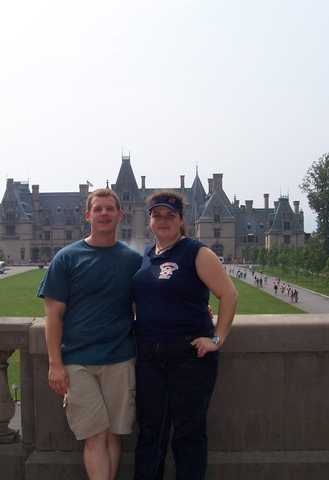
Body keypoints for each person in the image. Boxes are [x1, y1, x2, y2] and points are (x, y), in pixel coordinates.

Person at [37, 188, 142, 480]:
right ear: (87, 215)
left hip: (120, 358)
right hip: (77, 361)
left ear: (120, 214)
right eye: (98, 209)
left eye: (109, 209)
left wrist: (197, 311)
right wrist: (55, 364)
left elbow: (148, 305)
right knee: (94, 436)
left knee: (113, 436)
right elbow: (53, 316)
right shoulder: (67, 258)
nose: (104, 214)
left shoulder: (132, 261)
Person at [132, 191, 239, 480]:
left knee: (188, 433)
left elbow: (229, 295)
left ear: (181, 219)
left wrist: (216, 340)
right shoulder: (148, 254)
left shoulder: (196, 252)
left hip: (189, 356)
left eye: (170, 215)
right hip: (149, 356)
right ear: (149, 220)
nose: (163, 220)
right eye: (157, 215)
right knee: (150, 432)